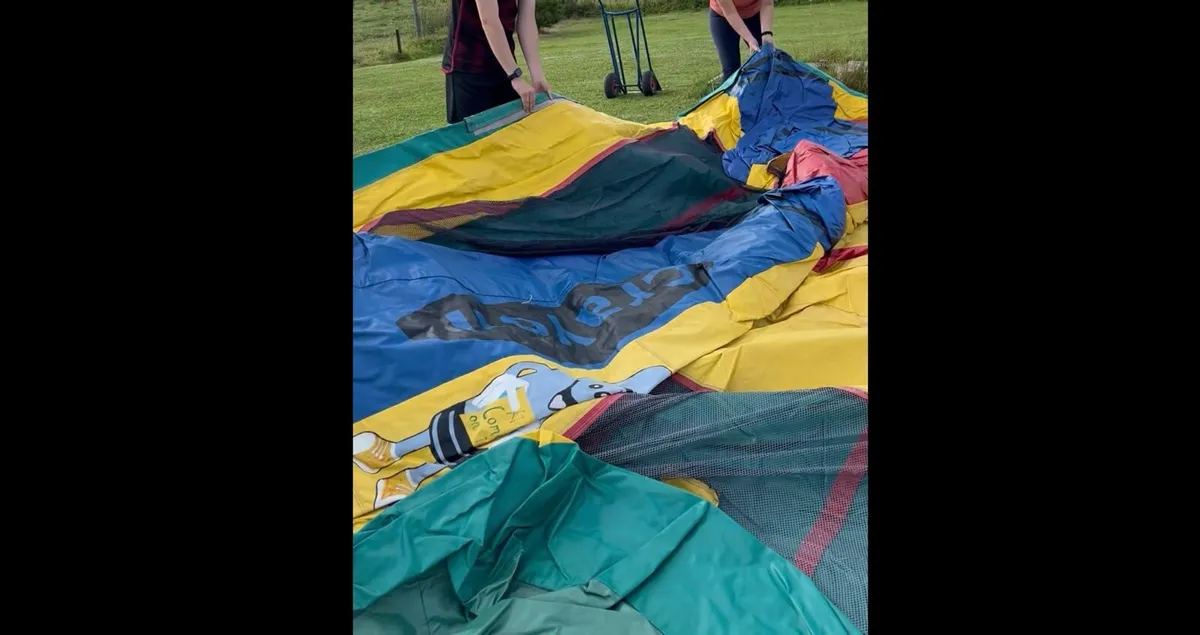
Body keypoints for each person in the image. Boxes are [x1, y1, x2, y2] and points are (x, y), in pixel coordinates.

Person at [442, 0, 552, 123]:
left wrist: (537, 74)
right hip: (468, 68)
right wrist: (514, 76)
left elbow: (527, 20)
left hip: (504, 67)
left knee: (511, 134)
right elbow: (489, 21)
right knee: (474, 138)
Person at [709, 0, 774, 81]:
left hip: (754, 13)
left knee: (768, 61)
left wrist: (766, 34)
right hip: (723, 16)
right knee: (731, 70)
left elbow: (767, 4)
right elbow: (731, 13)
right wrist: (750, 40)